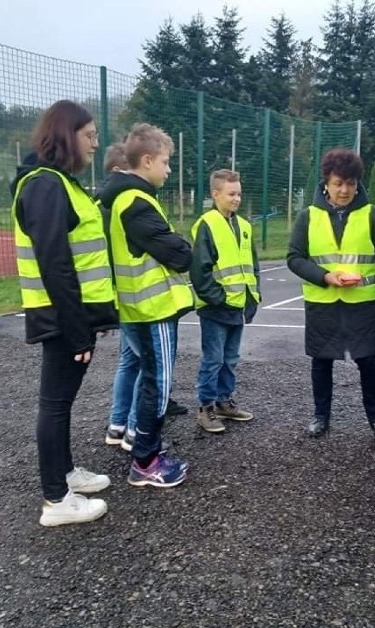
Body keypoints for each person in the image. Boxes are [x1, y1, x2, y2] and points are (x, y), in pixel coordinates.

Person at [10, 100, 119, 527]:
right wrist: (77, 331)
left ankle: (65, 473)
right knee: (54, 404)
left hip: (71, 317)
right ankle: (56, 499)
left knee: (62, 402)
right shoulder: (44, 185)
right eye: (89, 135)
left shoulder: (60, 182)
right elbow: (55, 264)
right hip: (61, 319)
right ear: (66, 135)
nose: (95, 144)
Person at [287, 148, 375, 445]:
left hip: (361, 303)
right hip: (322, 302)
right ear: (326, 181)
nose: (345, 190)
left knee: (369, 363)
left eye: (351, 183)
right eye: (339, 183)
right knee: (321, 362)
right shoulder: (308, 216)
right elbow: (294, 257)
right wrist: (324, 277)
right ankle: (321, 417)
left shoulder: (371, 214)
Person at [97, 123, 193, 488]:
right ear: (148, 160)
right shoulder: (135, 202)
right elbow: (177, 253)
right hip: (152, 310)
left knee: (147, 378)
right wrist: (184, 247)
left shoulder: (120, 198)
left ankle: (139, 440)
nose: (169, 170)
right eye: (166, 162)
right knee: (158, 383)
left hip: (136, 308)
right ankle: (147, 462)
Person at [190, 169, 260, 433]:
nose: (236, 199)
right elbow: (199, 270)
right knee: (213, 359)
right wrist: (217, 298)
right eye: (231, 194)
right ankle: (206, 407)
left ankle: (224, 401)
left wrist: (254, 296)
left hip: (239, 306)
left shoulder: (243, 226)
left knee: (230, 358)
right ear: (215, 194)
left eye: (239, 193)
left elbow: (252, 265)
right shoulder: (206, 224)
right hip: (216, 308)